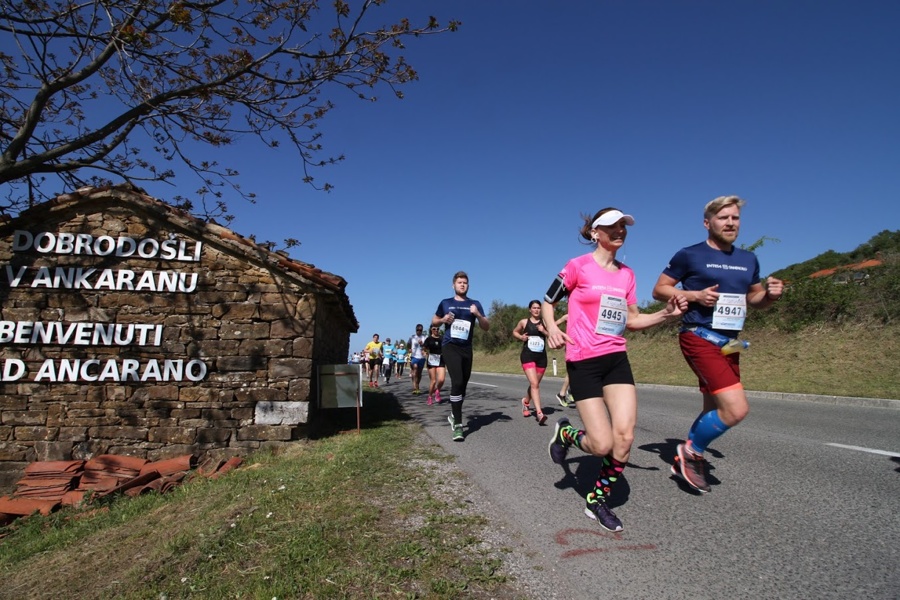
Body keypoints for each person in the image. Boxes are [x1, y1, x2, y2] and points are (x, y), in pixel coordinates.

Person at [544, 207, 687, 532]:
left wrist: (665, 314)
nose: (620, 230)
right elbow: (549, 301)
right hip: (583, 360)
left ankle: (597, 500)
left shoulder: (627, 275)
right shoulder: (577, 266)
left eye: (623, 226)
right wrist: (552, 327)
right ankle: (566, 434)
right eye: (612, 226)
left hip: (616, 359)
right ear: (595, 233)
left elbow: (632, 320)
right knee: (601, 445)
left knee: (625, 437)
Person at [651, 195, 784, 493]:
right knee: (736, 409)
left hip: (730, 343)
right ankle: (692, 452)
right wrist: (695, 296)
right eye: (723, 218)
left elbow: (754, 298)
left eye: (735, 218)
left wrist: (770, 296)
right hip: (699, 336)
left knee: (715, 406)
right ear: (707, 223)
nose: (730, 223)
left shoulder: (748, 259)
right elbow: (659, 289)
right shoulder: (690, 254)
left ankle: (687, 457)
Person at [433, 271, 490, 441]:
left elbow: (486, 326)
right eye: (459, 282)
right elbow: (434, 321)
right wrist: (443, 320)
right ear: (453, 285)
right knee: (457, 382)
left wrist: (477, 314)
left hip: (466, 348)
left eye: (465, 282)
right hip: (450, 346)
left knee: (463, 385)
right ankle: (458, 425)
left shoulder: (475, 304)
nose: (462, 285)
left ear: (468, 285)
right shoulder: (446, 303)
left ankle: (453, 414)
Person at [512, 300, 550, 425]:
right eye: (534, 308)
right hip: (527, 356)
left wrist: (543, 331)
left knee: (535, 385)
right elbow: (515, 332)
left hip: (541, 357)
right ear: (530, 310)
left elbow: (551, 335)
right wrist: (521, 337)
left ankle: (526, 402)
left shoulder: (545, 322)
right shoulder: (524, 322)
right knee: (534, 384)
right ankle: (539, 413)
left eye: (538, 308)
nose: (536, 310)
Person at [424, 325, 445, 405]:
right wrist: (425, 352)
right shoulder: (429, 339)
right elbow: (424, 348)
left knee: (441, 379)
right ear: (431, 330)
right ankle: (430, 396)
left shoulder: (442, 338)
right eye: (434, 329)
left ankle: (437, 390)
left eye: (437, 329)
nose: (436, 330)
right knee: (433, 381)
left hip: (441, 359)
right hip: (432, 360)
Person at [407, 324, 427, 395]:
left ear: (422, 330)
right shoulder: (412, 337)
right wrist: (409, 349)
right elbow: (408, 344)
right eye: (417, 330)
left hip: (422, 357)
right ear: (415, 330)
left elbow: (426, 347)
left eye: (420, 330)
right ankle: (414, 387)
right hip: (414, 356)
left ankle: (417, 384)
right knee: (415, 368)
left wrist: (422, 344)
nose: (419, 331)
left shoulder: (425, 337)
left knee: (419, 373)